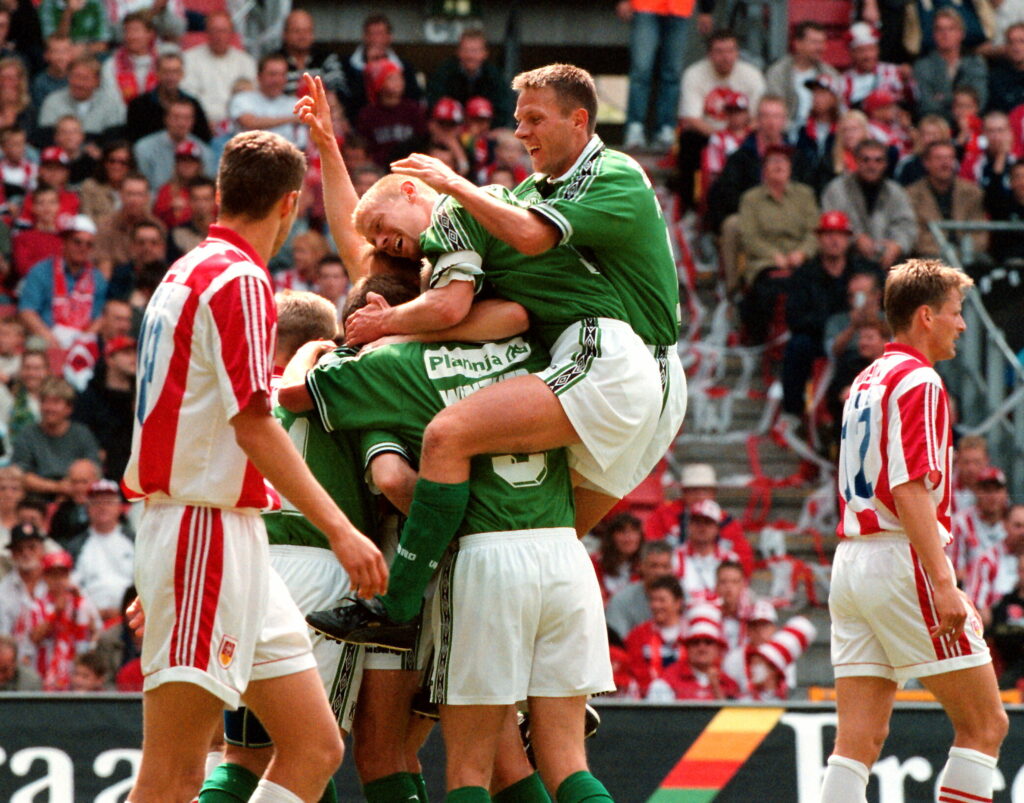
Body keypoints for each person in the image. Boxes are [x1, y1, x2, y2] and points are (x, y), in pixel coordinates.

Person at [306, 62, 685, 642]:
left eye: (534, 118)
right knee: (546, 534)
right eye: (517, 120)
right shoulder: (522, 198)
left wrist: (451, 187)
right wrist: (330, 151)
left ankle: (401, 609)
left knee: (454, 447)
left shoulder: (598, 178)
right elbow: (361, 243)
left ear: (579, 119)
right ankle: (550, 684)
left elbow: (497, 272)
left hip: (616, 356)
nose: (521, 132)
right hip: (611, 368)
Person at [121, 130, 386, 803]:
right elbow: (253, 425)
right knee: (174, 773)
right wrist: (341, 529)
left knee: (316, 746)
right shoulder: (238, 278)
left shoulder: (184, 272)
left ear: (220, 192)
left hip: (224, 535)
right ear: (290, 204)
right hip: (203, 532)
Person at [283, 276, 615, 802]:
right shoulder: (529, 352)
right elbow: (513, 310)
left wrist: (319, 348)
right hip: (560, 551)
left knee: (417, 759)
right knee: (558, 762)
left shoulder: (389, 374)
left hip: (455, 564)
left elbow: (387, 475)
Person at [822, 258, 1007, 803]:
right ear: (926, 316)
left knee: (858, 740)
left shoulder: (865, 378)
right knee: (985, 725)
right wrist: (945, 582)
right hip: (900, 558)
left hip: (852, 561)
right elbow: (908, 490)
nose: (963, 325)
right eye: (957, 312)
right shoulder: (920, 379)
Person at [781, 211, 882, 421]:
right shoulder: (805, 274)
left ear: (848, 239)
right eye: (828, 234)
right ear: (819, 239)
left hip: (862, 333)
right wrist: (831, 324)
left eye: (840, 234)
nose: (834, 240)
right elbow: (795, 317)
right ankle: (793, 410)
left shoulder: (863, 270)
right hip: (819, 335)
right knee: (798, 346)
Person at [735, 145, 819, 344]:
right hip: (764, 261)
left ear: (791, 167)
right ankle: (761, 342)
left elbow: (814, 231)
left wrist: (802, 253)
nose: (779, 165)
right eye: (773, 161)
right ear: (764, 168)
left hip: (801, 260)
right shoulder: (751, 198)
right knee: (764, 293)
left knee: (813, 286)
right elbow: (749, 236)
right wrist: (774, 256)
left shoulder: (805, 194)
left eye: (783, 161)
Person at [821, 138, 917, 270]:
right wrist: (854, 238)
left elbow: (907, 225)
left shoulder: (896, 192)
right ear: (856, 161)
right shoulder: (837, 189)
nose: (872, 166)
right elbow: (830, 224)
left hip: (889, 262)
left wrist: (897, 245)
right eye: (865, 160)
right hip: (847, 262)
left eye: (878, 160)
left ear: (885, 164)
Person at [18, 214, 107, 352]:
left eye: (89, 244)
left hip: (83, 341)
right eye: (77, 242)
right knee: (34, 346)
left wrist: (81, 342)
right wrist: (50, 339)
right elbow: (27, 311)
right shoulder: (41, 271)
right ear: (65, 242)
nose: (83, 247)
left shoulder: (98, 278)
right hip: (45, 336)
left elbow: (99, 319)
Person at [906, 139, 988, 258]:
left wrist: (962, 253)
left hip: (968, 256)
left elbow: (980, 232)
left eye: (949, 158)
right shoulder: (911, 195)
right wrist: (947, 254)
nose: (945, 163)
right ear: (926, 163)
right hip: (930, 257)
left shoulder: (972, 192)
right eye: (939, 158)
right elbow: (916, 236)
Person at [180, 11, 258, 132]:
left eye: (223, 31)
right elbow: (188, 95)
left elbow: (250, 96)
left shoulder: (246, 62)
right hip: (201, 124)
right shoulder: (188, 59)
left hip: (238, 124)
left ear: (231, 34)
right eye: (214, 30)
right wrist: (204, 120)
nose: (219, 36)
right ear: (206, 33)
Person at [426, 29, 513, 129]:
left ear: (484, 53)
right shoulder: (444, 73)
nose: (470, 56)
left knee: (511, 143)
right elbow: (433, 104)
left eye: (475, 51)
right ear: (458, 52)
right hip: (451, 128)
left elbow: (503, 110)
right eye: (466, 50)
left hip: (486, 129)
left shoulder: (494, 75)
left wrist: (480, 126)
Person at [913, 8, 988, 121]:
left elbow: (979, 100)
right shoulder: (922, 66)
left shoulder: (976, 63)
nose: (945, 34)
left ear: (961, 34)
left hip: (970, 124)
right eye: (940, 29)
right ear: (934, 34)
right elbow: (926, 106)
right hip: (936, 127)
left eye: (951, 29)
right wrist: (960, 104)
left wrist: (942, 99)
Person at [765, 22, 841, 131]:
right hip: (785, 133)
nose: (820, 48)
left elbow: (838, 110)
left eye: (822, 42)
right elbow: (774, 110)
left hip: (822, 132)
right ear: (798, 44)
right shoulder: (778, 72)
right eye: (814, 43)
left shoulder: (830, 74)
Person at [624, 575, 688, 698]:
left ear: (678, 603)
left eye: (661, 600)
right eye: (652, 600)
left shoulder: (693, 634)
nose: (656, 605)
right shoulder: (637, 635)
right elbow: (634, 671)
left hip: (687, 701)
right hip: (648, 704)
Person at [126, 52, 212, 145]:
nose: (171, 77)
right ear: (157, 73)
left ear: (182, 74)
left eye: (175, 71)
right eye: (166, 71)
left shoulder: (193, 104)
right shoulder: (138, 105)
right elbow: (133, 141)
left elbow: (204, 140)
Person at [37, 56, 126, 145]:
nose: (79, 83)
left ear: (97, 81)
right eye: (75, 76)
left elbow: (114, 141)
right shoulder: (53, 101)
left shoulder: (110, 104)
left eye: (85, 78)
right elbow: (46, 139)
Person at [605, 540, 675, 642]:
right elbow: (616, 642)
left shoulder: (682, 597)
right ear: (641, 566)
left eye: (665, 566)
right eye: (654, 566)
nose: (659, 572)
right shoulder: (621, 600)